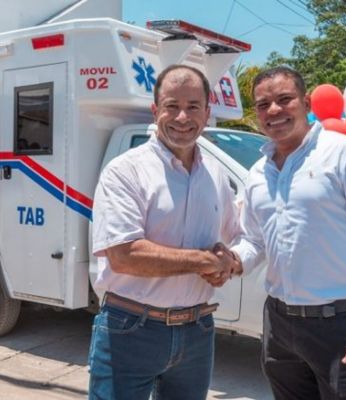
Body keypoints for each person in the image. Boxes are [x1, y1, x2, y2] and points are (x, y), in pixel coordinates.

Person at [228, 66, 346, 399]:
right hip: (279, 325)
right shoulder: (257, 174)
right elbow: (254, 240)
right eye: (264, 104)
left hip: (341, 325)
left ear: (306, 102)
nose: (274, 110)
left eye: (284, 99)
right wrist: (231, 261)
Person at [88, 65, 240, 400]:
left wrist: (229, 261)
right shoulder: (125, 171)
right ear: (155, 110)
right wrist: (206, 261)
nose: (182, 117)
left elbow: (237, 237)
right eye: (172, 106)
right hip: (130, 329)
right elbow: (125, 255)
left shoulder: (215, 174)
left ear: (207, 113)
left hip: (198, 331)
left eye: (193, 106)